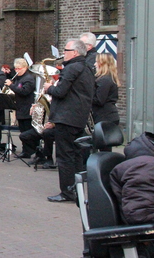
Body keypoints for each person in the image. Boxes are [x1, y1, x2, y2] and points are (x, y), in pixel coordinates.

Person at [44, 39, 95, 202]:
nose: (63, 53)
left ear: (74, 52)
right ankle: (76, 189)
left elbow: (60, 92)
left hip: (66, 118)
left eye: (65, 50)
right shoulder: (87, 68)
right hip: (78, 117)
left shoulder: (71, 68)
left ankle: (67, 192)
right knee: (76, 155)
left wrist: (48, 88)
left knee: (64, 156)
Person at [4, 58, 36, 158]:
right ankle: (25, 150)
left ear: (25, 68)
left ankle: (30, 150)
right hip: (20, 108)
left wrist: (11, 86)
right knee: (22, 130)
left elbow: (23, 91)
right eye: (16, 69)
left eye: (19, 68)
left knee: (27, 130)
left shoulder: (29, 79)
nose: (16, 71)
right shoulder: (19, 77)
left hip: (27, 108)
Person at [92, 53, 120, 126]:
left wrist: (86, 97)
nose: (95, 64)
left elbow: (99, 100)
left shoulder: (104, 80)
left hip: (105, 117)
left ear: (102, 64)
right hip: (108, 115)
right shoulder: (109, 78)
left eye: (97, 62)